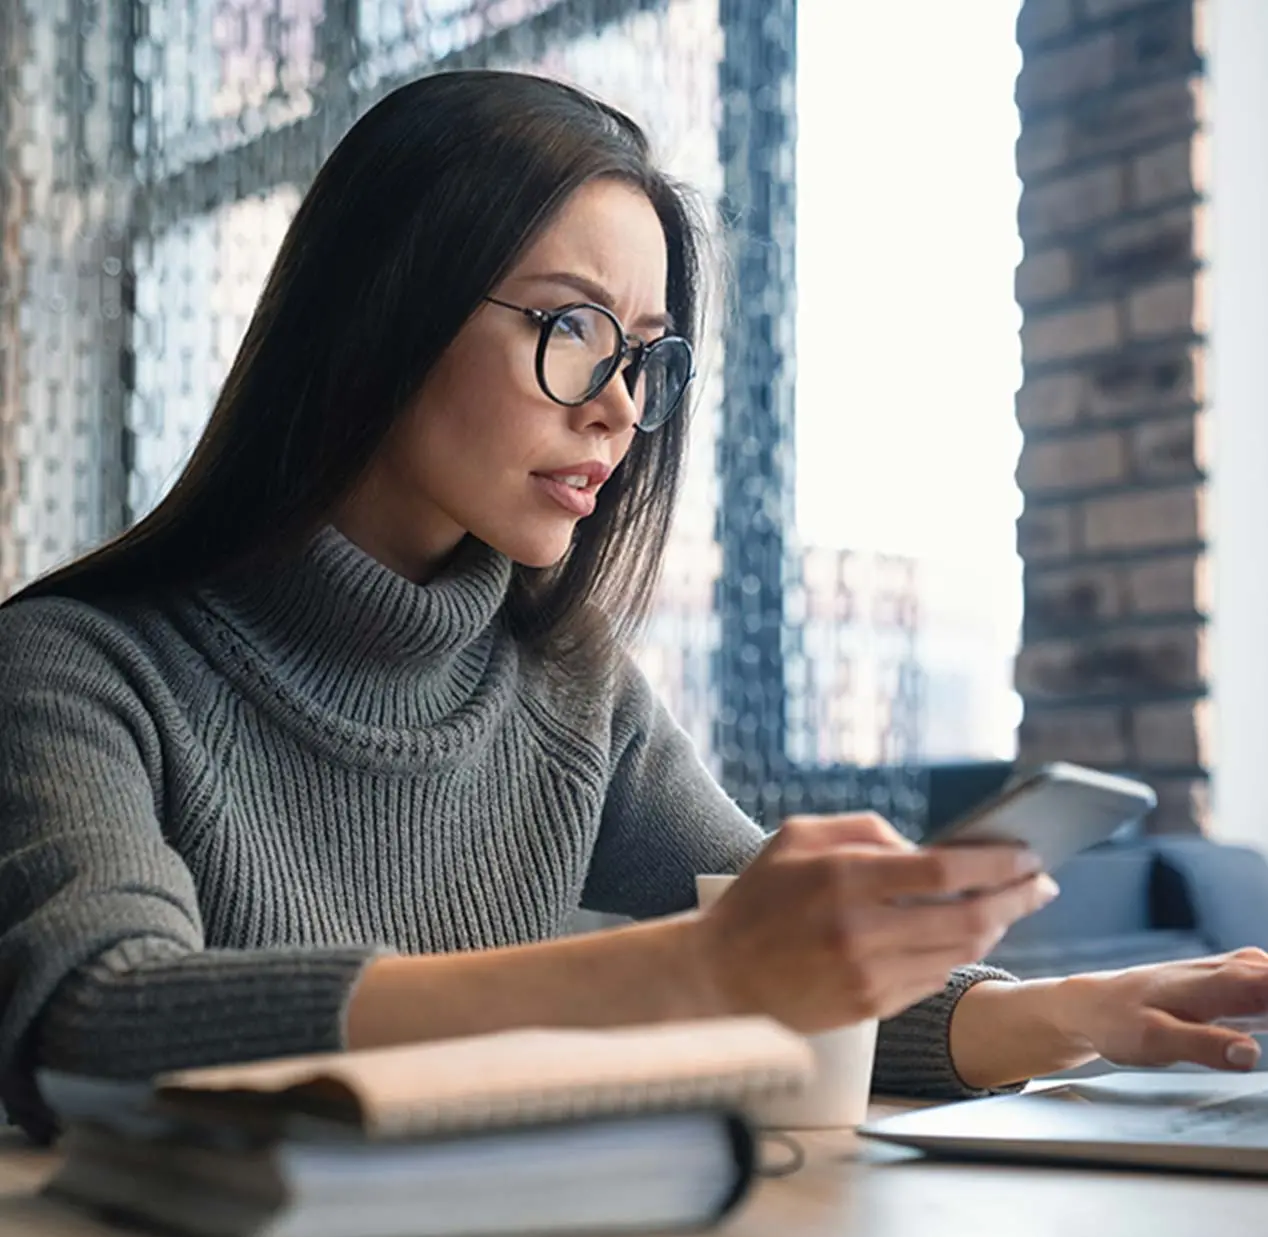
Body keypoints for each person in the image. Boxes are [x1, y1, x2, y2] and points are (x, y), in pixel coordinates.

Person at [1, 69, 1265, 1145]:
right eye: (569, 326)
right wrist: (690, 972)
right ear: (381, 312)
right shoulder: (75, 668)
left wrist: (1072, 1013)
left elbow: (782, 958)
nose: (614, 403)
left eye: (643, 354)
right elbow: (95, 1018)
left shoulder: (567, 683)